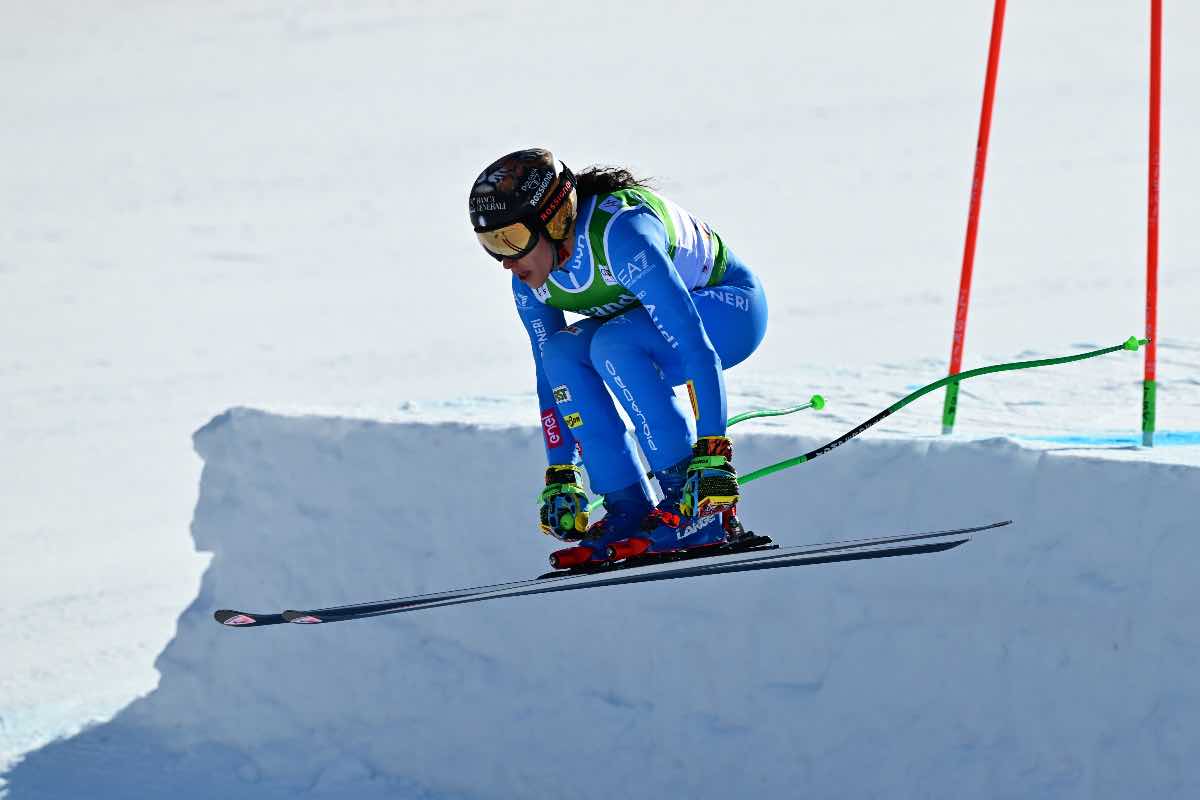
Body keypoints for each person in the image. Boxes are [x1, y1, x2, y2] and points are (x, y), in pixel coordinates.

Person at [468, 148, 768, 563]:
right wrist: (562, 472)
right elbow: (549, 380)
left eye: (512, 239)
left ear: (555, 220)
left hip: (731, 313)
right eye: (491, 244)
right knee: (560, 353)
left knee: (614, 344)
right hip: (646, 326)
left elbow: (694, 345)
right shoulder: (528, 280)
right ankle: (627, 506)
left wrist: (713, 452)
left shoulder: (622, 235)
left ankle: (695, 507)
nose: (506, 261)